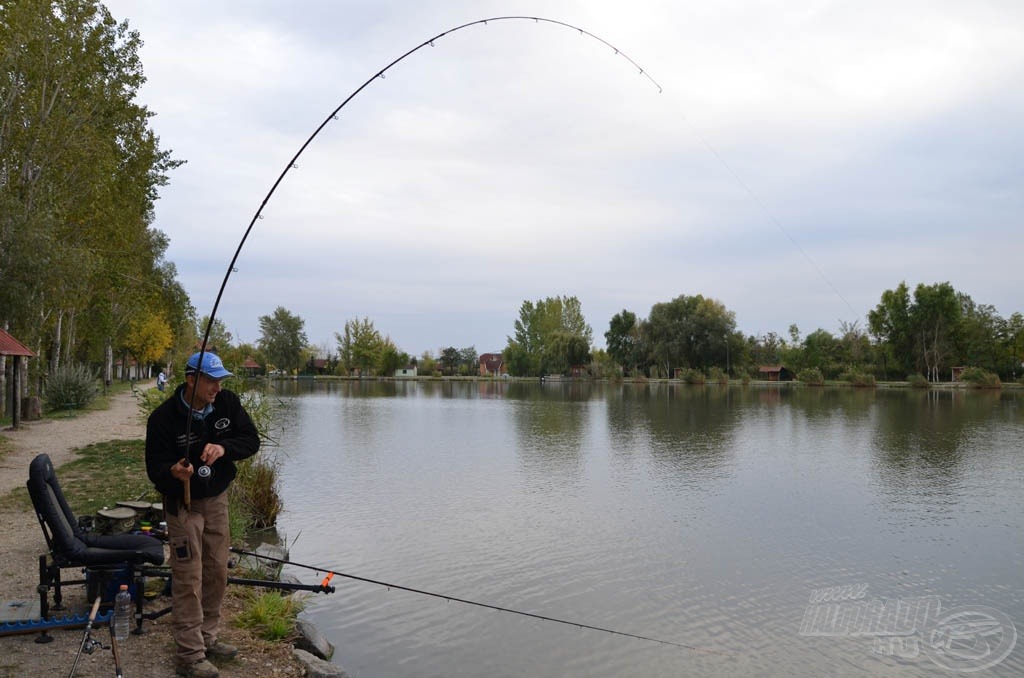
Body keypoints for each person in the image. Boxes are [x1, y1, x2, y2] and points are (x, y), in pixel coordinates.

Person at [145, 352, 260, 678]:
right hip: (183, 505)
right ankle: (190, 654)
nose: (218, 387)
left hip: (217, 500)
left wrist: (224, 449)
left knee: (216, 571)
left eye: (221, 380)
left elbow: (251, 440)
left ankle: (208, 638)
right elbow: (155, 469)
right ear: (191, 379)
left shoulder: (227, 404)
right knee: (188, 577)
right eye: (212, 380)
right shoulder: (163, 418)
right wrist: (173, 472)